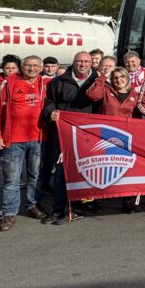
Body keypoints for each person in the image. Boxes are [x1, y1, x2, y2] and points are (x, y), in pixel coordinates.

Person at [0, 55, 48, 230]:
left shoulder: (44, 84)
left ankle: (32, 205)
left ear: (41, 67)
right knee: (12, 179)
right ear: (21, 67)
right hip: (13, 139)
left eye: (36, 66)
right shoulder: (8, 83)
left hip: (37, 139)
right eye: (28, 65)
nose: (32, 69)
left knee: (35, 176)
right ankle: (9, 213)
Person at [41, 51, 98, 225]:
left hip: (88, 135)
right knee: (61, 171)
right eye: (79, 61)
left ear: (91, 63)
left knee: (84, 170)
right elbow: (48, 102)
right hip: (63, 133)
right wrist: (51, 112)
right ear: (73, 62)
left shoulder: (97, 82)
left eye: (86, 62)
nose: (83, 65)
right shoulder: (58, 81)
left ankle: (77, 207)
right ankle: (58, 208)